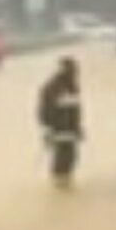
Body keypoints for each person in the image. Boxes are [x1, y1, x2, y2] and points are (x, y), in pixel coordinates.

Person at [38, 57, 84, 188]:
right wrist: (48, 129)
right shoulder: (52, 86)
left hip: (70, 128)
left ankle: (65, 182)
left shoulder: (73, 86)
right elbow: (44, 110)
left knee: (71, 156)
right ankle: (58, 184)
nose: (76, 73)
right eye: (74, 70)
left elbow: (76, 110)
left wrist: (78, 127)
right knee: (61, 157)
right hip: (58, 127)